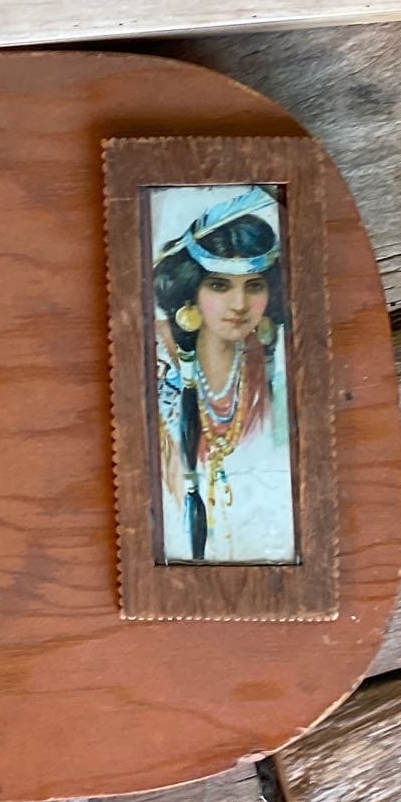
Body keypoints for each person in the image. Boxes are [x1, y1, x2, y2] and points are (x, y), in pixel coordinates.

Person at [152, 188, 294, 564]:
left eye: (254, 285)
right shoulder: (155, 359)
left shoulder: (268, 359)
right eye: (219, 285)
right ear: (191, 288)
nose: (239, 304)